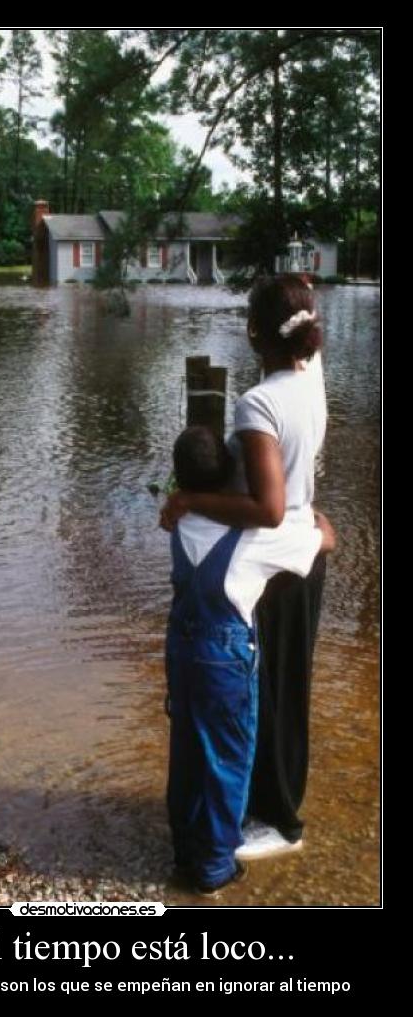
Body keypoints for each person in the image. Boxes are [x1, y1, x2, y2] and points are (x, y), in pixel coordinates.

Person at [161, 274, 328, 860]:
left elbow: (267, 507)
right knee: (288, 691)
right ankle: (269, 808)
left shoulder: (258, 402)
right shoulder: (310, 379)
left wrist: (188, 500)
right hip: (301, 554)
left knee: (271, 696)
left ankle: (280, 823)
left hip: (276, 563)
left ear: (255, 331)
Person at [165, 425, 335, 895]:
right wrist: (314, 517)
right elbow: (327, 541)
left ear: (180, 482)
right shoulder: (254, 539)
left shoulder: (179, 521)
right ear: (228, 478)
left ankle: (184, 851)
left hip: (180, 649)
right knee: (227, 759)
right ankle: (215, 868)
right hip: (224, 658)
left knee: (188, 752)